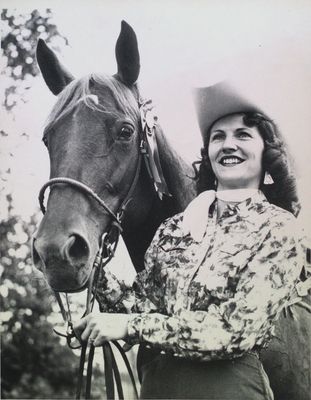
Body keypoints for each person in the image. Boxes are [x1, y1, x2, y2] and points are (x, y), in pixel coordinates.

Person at [73, 82, 304, 399]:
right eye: (218, 137)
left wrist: (130, 327)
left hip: (228, 390)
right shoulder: (173, 230)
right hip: (158, 389)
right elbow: (136, 305)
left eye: (243, 135)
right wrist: (86, 260)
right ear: (208, 153)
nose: (227, 144)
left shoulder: (280, 229)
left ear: (266, 153)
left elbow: (235, 331)